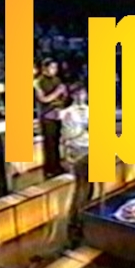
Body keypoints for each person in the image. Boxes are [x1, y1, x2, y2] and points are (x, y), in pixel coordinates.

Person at [60, 84, 92, 230]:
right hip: (78, 151)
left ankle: (84, 215)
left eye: (83, 94)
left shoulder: (89, 110)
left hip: (91, 149)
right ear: (72, 95)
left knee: (89, 186)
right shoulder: (68, 113)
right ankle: (74, 220)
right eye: (78, 94)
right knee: (81, 187)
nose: (81, 97)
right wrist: (85, 129)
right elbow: (68, 135)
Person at [35, 58, 67, 178]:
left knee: (57, 142)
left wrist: (64, 95)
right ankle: (50, 168)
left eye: (56, 67)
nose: (55, 70)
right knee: (49, 143)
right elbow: (43, 99)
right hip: (46, 116)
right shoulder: (38, 82)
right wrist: (58, 92)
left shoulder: (57, 80)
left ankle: (57, 165)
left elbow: (63, 96)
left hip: (57, 114)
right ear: (45, 68)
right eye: (52, 67)